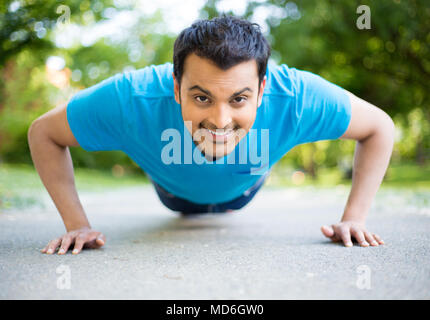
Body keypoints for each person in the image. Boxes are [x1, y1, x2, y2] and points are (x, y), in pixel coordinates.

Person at [28, 15, 393, 255]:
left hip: (243, 192)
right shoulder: (130, 97)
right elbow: (43, 132)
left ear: (263, 89)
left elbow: (380, 127)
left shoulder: (296, 97)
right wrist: (78, 225)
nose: (220, 121)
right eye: (201, 97)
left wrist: (354, 218)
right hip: (173, 195)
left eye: (239, 99)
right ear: (175, 87)